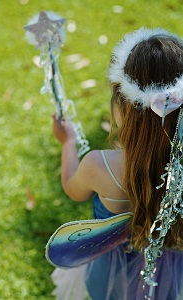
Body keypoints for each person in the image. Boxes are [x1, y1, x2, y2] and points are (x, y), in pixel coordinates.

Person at [50, 28, 183, 300]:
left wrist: (68, 143)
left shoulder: (100, 166)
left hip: (110, 276)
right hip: (172, 275)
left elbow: (73, 189)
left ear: (122, 106)